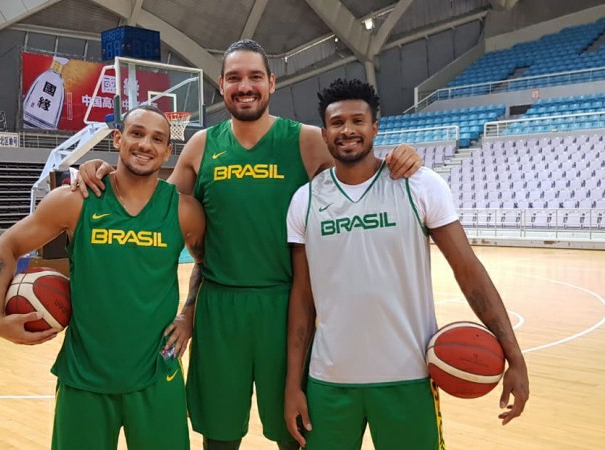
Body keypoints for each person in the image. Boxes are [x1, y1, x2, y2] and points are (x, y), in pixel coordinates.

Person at [73, 39, 423, 450]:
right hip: (220, 309)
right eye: (234, 78)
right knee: (219, 437)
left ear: (272, 83)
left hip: (287, 307)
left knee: (296, 433)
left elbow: (360, 172)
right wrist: (100, 169)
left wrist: (402, 156)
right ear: (221, 86)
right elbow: (153, 207)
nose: (245, 86)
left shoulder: (307, 141)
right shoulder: (203, 145)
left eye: (255, 76)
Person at [283, 78, 530, 449]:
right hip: (329, 380)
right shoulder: (304, 201)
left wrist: (515, 356)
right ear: (324, 132)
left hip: (409, 377)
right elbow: (302, 297)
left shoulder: (419, 185)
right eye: (337, 123)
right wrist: (293, 384)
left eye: (357, 121)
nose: (347, 130)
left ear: (375, 128)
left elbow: (468, 271)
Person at [0, 104, 205, 450]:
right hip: (84, 377)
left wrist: (188, 315)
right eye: (136, 133)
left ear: (167, 151)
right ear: (118, 139)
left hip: (158, 373)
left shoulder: (183, 211)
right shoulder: (77, 200)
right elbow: (6, 246)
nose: (145, 144)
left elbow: (209, 266)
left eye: (157, 139)